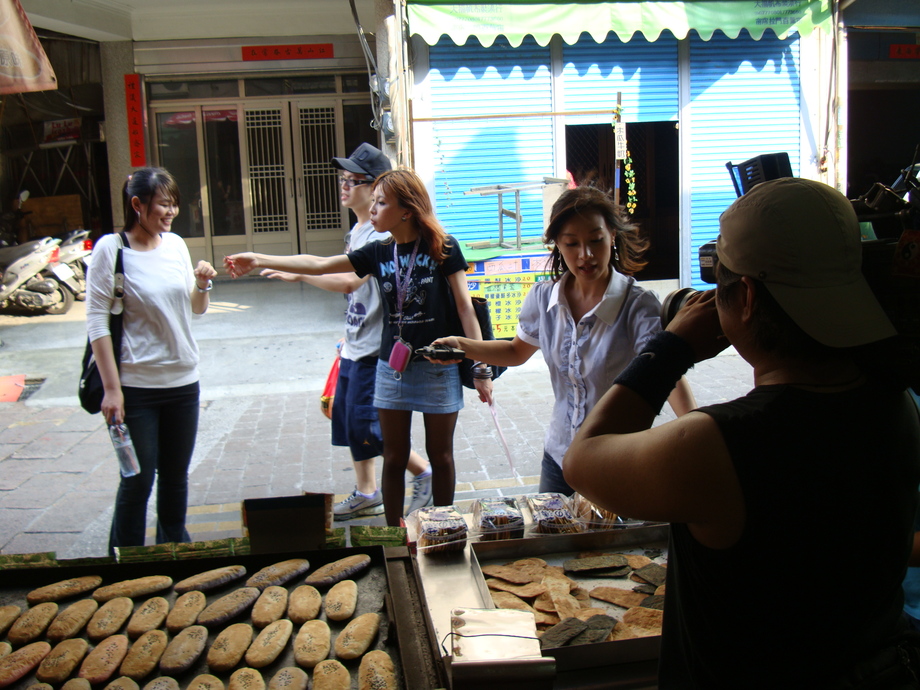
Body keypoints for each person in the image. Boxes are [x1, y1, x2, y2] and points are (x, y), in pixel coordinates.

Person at [564, 178, 920, 687]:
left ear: (746, 296)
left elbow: (583, 461)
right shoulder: (896, 404)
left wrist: (670, 348)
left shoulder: (717, 444)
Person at [226, 169, 492, 525]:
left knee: (441, 456)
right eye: (374, 201)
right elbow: (320, 264)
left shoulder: (443, 247)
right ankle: (394, 535)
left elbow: (464, 308)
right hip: (392, 369)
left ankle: (443, 528)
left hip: (438, 367)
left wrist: (479, 368)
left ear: (406, 210)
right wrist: (260, 259)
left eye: (381, 203)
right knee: (393, 457)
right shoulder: (378, 252)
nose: (373, 210)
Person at [431, 185, 695, 495]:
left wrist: (695, 431)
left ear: (612, 235)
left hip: (616, 460)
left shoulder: (637, 305)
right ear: (557, 244)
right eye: (571, 243)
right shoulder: (544, 298)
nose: (586, 255)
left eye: (596, 240)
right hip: (559, 459)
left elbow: (664, 371)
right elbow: (515, 351)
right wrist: (462, 346)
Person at [258, 143, 433, 520]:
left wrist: (300, 275)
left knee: (368, 426)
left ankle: (423, 471)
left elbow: (348, 281)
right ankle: (367, 491)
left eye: (354, 180)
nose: (345, 186)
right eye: (343, 179)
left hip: (374, 349)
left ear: (376, 188)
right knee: (351, 423)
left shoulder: (380, 234)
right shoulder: (357, 230)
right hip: (355, 342)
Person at [86, 167, 217, 553]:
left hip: (183, 382)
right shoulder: (111, 250)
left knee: (175, 478)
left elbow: (195, 308)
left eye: (174, 203)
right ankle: (125, 558)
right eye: (163, 204)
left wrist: (203, 284)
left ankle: (173, 551)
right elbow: (97, 323)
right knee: (138, 479)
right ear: (137, 205)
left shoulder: (175, 245)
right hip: (136, 388)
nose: (171, 211)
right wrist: (112, 390)